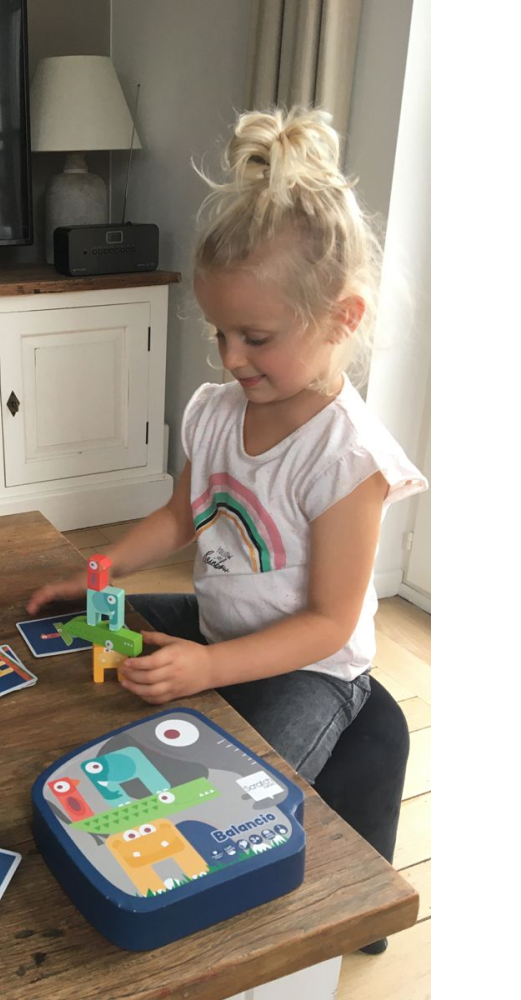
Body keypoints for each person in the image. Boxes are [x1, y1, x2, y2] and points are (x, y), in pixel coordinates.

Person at [27, 105, 428, 790]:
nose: (231, 357)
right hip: (221, 624)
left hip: (310, 670)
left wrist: (209, 668)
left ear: (343, 318)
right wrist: (104, 565)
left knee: (241, 792)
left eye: (256, 338)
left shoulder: (347, 459)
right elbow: (180, 516)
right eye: (220, 333)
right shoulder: (218, 411)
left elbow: (329, 624)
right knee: (82, 634)